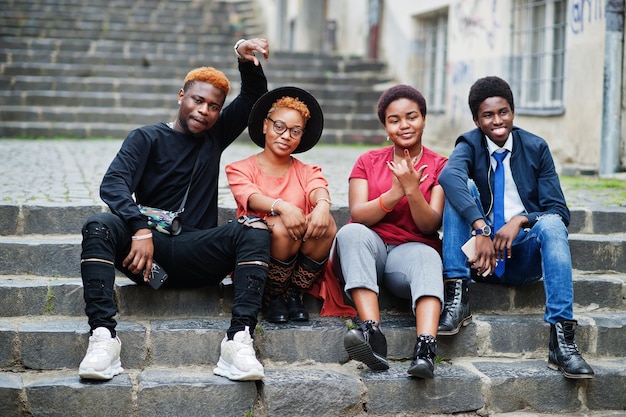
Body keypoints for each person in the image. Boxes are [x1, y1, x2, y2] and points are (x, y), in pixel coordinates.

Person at [78, 38, 273, 382]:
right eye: (198, 100)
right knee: (99, 225)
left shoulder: (214, 137)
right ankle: (103, 337)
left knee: (254, 227)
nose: (204, 111)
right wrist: (139, 228)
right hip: (145, 256)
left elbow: (252, 98)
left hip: (197, 252)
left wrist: (244, 55)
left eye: (214, 106)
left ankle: (238, 339)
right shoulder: (146, 138)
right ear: (181, 96)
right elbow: (113, 185)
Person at [438, 75, 594, 379]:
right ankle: (457, 297)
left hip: (520, 256)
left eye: (504, 112)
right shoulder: (468, 143)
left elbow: (559, 211)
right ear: (476, 119)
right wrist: (482, 228)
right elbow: (449, 178)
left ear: (512, 111)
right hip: (477, 260)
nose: (498, 121)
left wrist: (521, 220)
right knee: (461, 187)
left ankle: (562, 340)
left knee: (550, 225)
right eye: (488, 115)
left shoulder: (536, 148)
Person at [334, 85, 447, 378]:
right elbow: (358, 214)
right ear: (386, 126)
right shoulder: (368, 162)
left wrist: (413, 190)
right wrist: (396, 193)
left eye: (411, 117)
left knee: (428, 256)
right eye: (394, 119)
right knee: (349, 233)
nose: (404, 125)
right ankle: (373, 335)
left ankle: (425, 349)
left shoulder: (440, 166)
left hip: (409, 256)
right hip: (370, 249)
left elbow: (429, 225)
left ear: (423, 118)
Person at [226, 86, 336, 323]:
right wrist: (283, 206)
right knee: (282, 223)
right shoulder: (240, 168)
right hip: (258, 254)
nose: (286, 136)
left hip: (298, 259)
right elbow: (251, 196)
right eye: (279, 127)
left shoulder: (305, 171)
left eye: (295, 131)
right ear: (266, 125)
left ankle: (295, 292)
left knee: (326, 224)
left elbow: (318, 187)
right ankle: (272, 294)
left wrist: (323, 206)